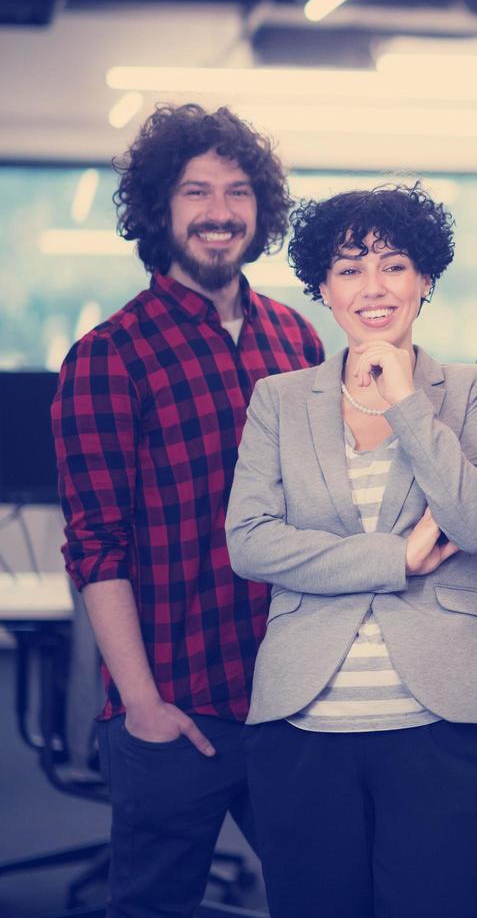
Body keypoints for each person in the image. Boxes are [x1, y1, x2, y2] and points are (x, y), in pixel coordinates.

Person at [51, 103, 323, 917]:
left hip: (292, 699)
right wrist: (142, 706)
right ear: (159, 210)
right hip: (176, 706)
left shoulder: (296, 339)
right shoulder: (108, 357)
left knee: (326, 896)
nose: (219, 212)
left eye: (238, 191)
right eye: (196, 191)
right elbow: (96, 548)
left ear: (260, 211)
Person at [224, 184, 477, 917]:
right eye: (350, 268)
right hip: (303, 723)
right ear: (323, 286)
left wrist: (408, 401)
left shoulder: (476, 390)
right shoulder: (280, 401)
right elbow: (250, 542)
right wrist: (395, 559)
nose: (373, 287)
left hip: (440, 720)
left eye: (393, 265)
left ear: (426, 280)